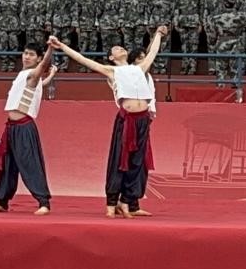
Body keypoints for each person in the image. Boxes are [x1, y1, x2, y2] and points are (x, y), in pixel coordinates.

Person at [49, 26, 166, 219]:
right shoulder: (112, 71)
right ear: (111, 57)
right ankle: (111, 202)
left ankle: (127, 201)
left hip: (143, 120)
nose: (121, 48)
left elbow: (153, 51)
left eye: (122, 47)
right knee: (119, 161)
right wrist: (61, 46)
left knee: (137, 162)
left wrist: (159, 35)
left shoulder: (139, 68)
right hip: (127, 119)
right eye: (116, 49)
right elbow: (83, 59)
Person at [0, 45, 58, 216]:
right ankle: (2, 201)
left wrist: (50, 48)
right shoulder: (24, 75)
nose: (26, 57)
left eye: (31, 54)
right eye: (25, 53)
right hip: (11, 127)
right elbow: (40, 84)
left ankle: (44, 202)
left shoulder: (33, 73)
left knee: (30, 164)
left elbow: (42, 67)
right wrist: (52, 76)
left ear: (38, 58)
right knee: (8, 165)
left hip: (24, 127)